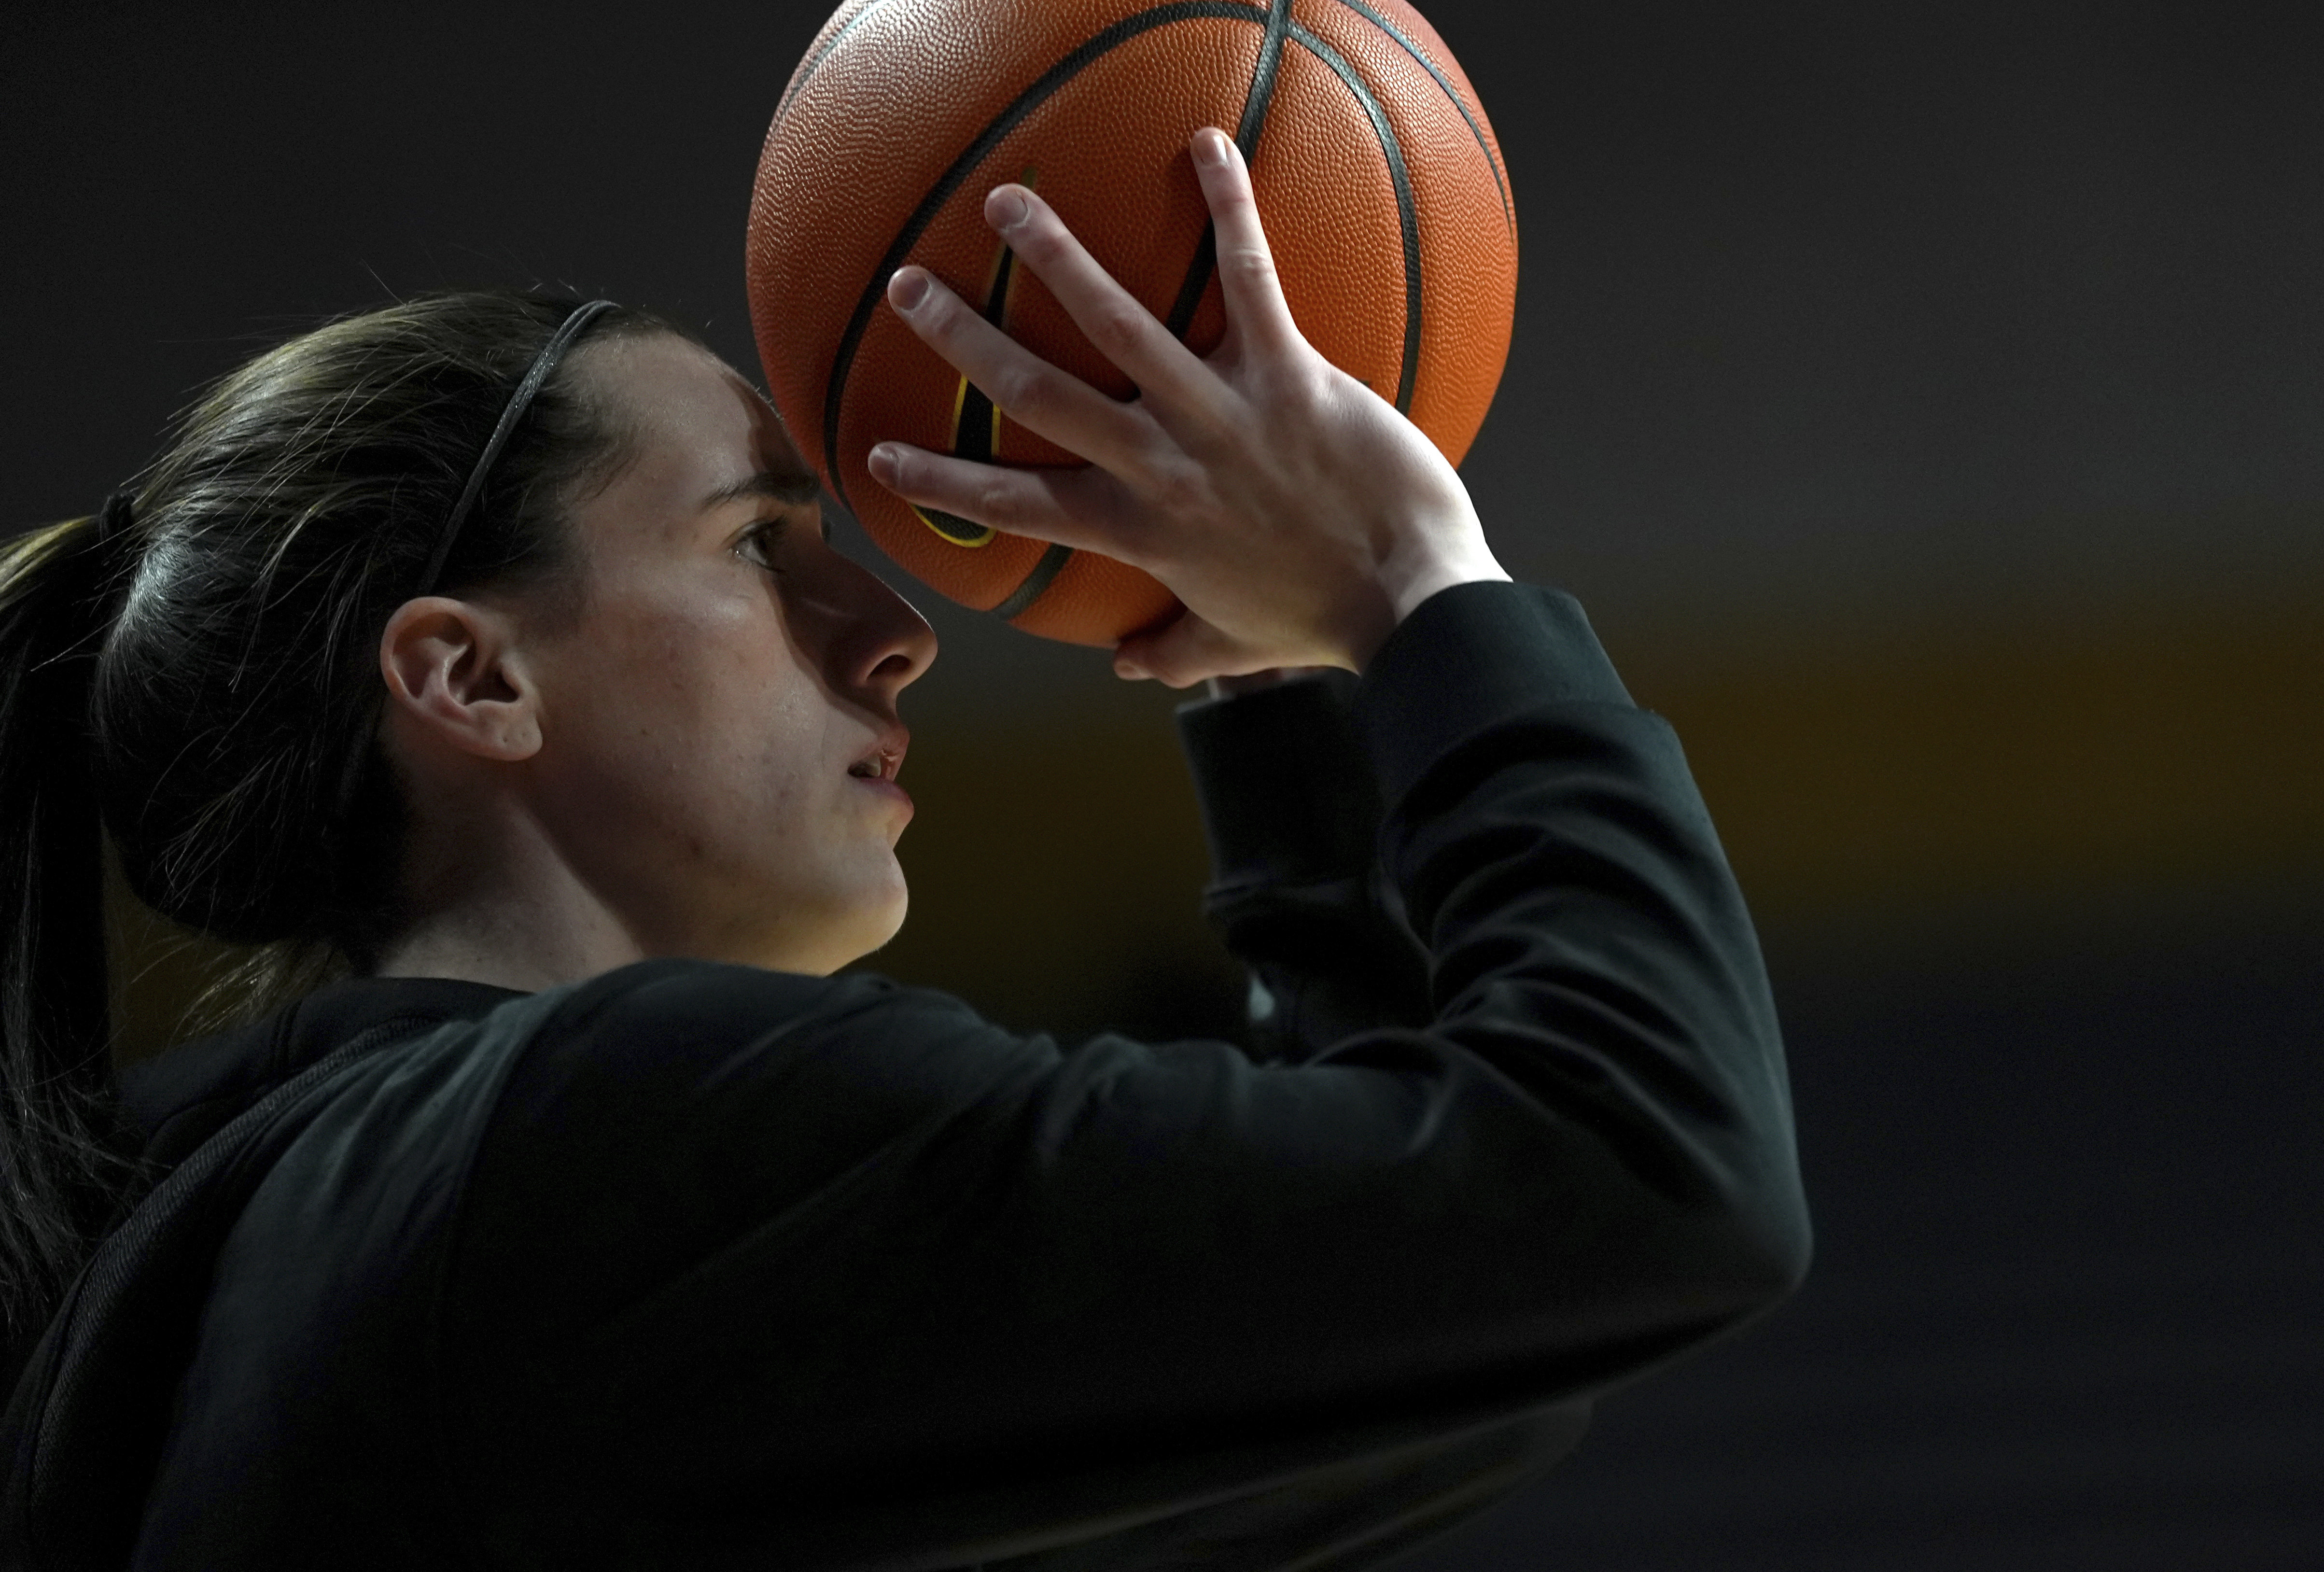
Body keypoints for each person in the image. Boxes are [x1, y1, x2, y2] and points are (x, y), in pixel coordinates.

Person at [0, 129, 1809, 1569]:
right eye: (755, 544)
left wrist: (1264, 683)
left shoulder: (231, 1211)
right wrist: (1424, 590)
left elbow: (1452, 1357)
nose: (893, 628)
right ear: (471, 677)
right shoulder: (611, 1140)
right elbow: (1645, 1176)